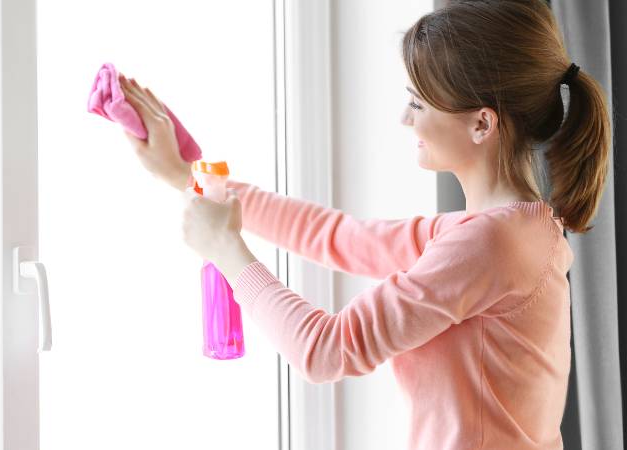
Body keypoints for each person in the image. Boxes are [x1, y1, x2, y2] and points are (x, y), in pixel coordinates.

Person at [117, 0, 611, 448]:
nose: (404, 119)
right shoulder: (514, 229)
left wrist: (227, 250)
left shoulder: (488, 243)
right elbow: (340, 238)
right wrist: (186, 176)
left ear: (482, 124)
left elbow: (325, 350)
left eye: (418, 103)